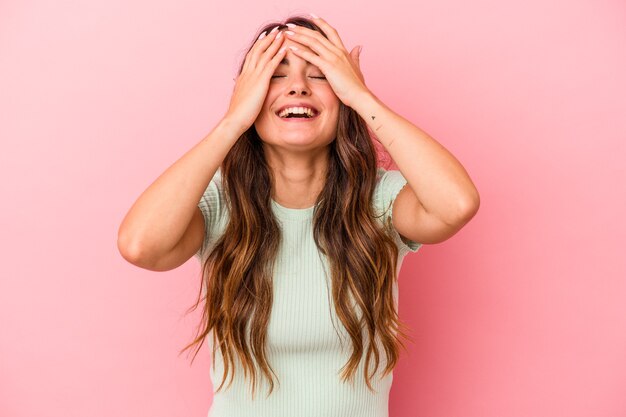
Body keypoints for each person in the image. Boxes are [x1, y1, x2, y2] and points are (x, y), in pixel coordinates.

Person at [117, 14, 479, 417]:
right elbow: (139, 246)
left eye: (320, 75)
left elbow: (457, 204)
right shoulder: (221, 205)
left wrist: (361, 98)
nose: (297, 87)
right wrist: (233, 121)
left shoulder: (378, 201)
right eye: (275, 74)